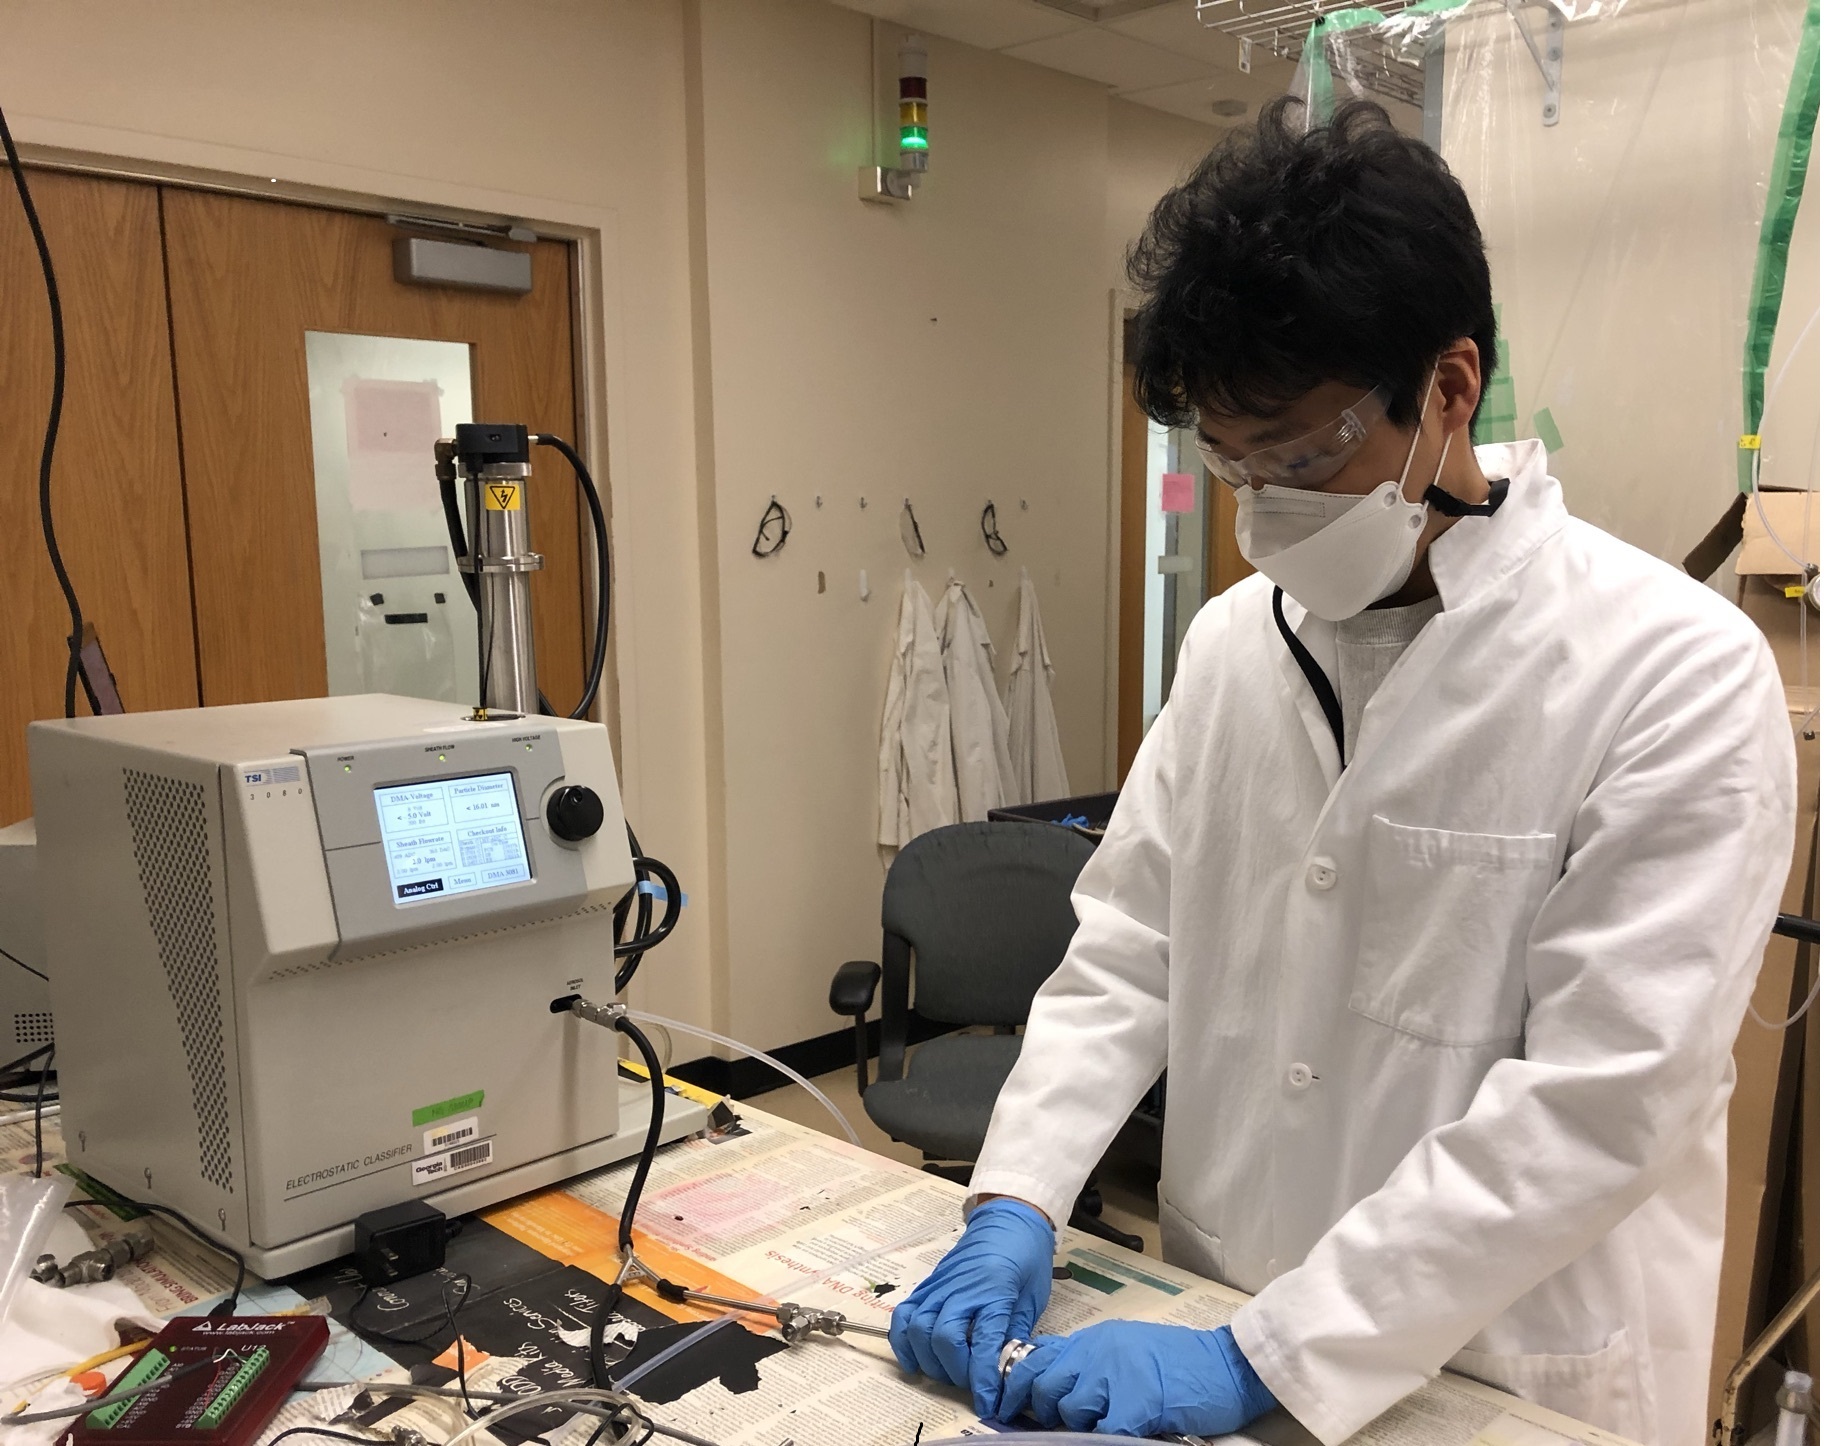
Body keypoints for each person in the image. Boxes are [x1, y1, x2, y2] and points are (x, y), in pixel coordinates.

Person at [888, 99, 1797, 1446]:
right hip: (1217, 1291)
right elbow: (1130, 943)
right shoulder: (1227, 648)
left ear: (1448, 386)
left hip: (1504, 1369)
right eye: (1229, 460)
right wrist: (1017, 1192)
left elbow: (1600, 1103)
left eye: (1304, 455)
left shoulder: (1675, 672)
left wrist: (1269, 1359)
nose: (1262, 510)